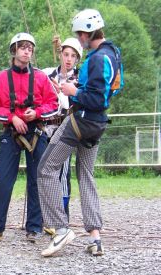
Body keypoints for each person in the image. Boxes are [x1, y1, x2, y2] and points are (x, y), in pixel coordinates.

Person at [38, 9, 124, 257]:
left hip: (80, 121)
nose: (79, 38)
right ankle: (95, 237)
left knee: (46, 169)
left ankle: (61, 228)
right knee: (86, 175)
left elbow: (96, 98)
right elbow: (113, 89)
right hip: (97, 125)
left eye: (79, 34)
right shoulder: (113, 54)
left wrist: (71, 91)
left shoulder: (97, 58)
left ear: (88, 33)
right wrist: (77, 87)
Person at [0, 33, 58, 244]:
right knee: (4, 180)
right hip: (11, 131)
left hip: (35, 130)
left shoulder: (42, 77)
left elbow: (54, 104)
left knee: (36, 180)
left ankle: (34, 227)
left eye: (30, 48)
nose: (27, 51)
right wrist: (12, 118)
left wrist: (38, 113)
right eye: (23, 47)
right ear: (14, 50)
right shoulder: (1, 78)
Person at [42, 37, 83, 224]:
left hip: (66, 128)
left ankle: (63, 216)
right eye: (66, 54)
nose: (68, 59)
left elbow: (76, 102)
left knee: (62, 173)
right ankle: (44, 216)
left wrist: (64, 91)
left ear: (77, 59)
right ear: (60, 54)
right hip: (47, 127)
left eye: (73, 56)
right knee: (43, 170)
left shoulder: (80, 78)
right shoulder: (48, 74)